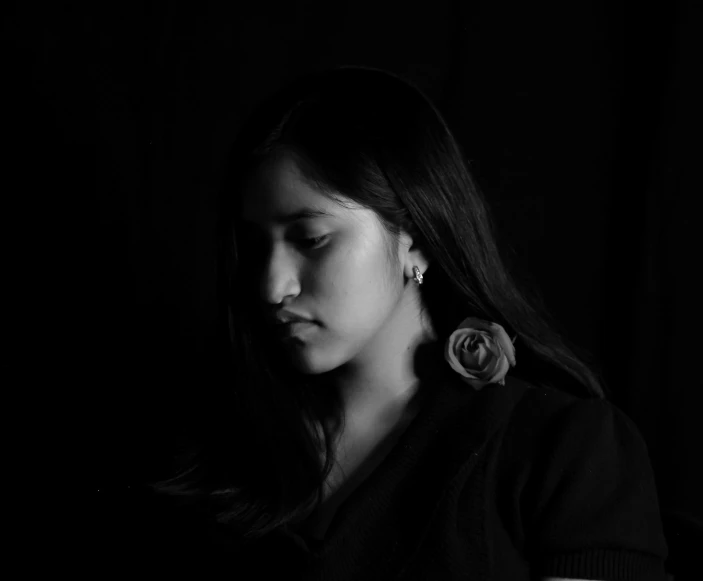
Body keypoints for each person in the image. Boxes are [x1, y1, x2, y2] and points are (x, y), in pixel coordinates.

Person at [147, 65, 669, 580]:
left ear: (414, 237)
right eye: (255, 247)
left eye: (310, 240)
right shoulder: (214, 453)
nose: (272, 286)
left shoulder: (560, 451)